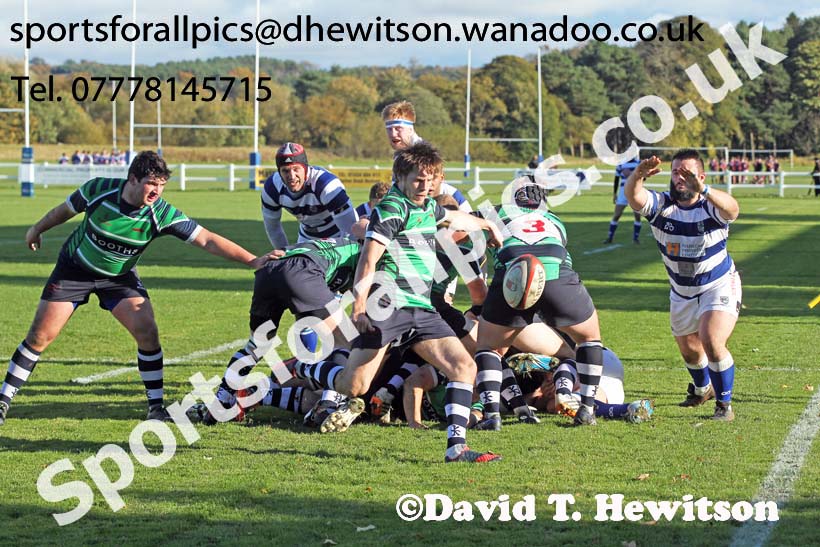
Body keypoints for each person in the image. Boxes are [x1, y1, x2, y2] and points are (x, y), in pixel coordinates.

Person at [0, 151, 272, 426]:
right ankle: (4, 400)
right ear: (132, 178)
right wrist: (36, 228)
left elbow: (206, 239)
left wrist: (253, 260)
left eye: (162, 184)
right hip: (74, 271)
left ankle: (155, 408)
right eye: (152, 183)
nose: (157, 191)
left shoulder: (160, 213)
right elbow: (64, 211)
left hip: (118, 278)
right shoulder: (98, 190)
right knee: (40, 336)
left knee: (147, 331)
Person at [295, 143, 505, 463]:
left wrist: (487, 224)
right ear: (401, 177)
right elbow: (368, 258)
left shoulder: (426, 206)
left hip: (421, 308)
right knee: (354, 386)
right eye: (419, 180)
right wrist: (360, 308)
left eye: (431, 179)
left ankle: (456, 448)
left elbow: (452, 217)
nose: (425, 187)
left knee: (464, 367)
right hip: (388, 305)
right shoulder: (394, 208)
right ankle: (307, 368)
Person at [472, 178, 606, 428]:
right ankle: (587, 408)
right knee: (589, 337)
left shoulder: (495, 213)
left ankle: (492, 416)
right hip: (555, 273)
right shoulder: (554, 220)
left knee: (489, 348)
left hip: (512, 272)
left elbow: (457, 224)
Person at [624, 149, 741, 421]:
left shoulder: (711, 206)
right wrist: (638, 175)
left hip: (717, 284)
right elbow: (634, 197)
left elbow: (733, 209)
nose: (680, 177)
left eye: (687, 173)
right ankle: (703, 389)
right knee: (690, 352)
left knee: (712, 340)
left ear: (700, 176)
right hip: (681, 291)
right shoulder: (661, 206)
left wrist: (706, 189)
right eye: (676, 172)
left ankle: (724, 407)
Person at [262, 142, 358, 248]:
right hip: (307, 236)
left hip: (338, 235)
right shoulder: (272, 188)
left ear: (306, 168)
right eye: (285, 171)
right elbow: (273, 227)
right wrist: (284, 254)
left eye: (296, 169)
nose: (292, 176)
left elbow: (350, 228)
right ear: (279, 172)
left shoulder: (326, 185)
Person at [382, 100, 471, 211]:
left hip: (437, 205)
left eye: (398, 128)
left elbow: (433, 187)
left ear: (410, 129)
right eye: (389, 129)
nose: (393, 134)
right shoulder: (401, 154)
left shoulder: (420, 153)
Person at [604, 156, 643, 244]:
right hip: (623, 192)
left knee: (637, 216)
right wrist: (614, 194)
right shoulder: (621, 164)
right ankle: (610, 237)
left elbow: (643, 178)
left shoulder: (638, 163)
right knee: (617, 215)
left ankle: (635, 238)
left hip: (635, 192)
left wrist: (632, 175)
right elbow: (616, 179)